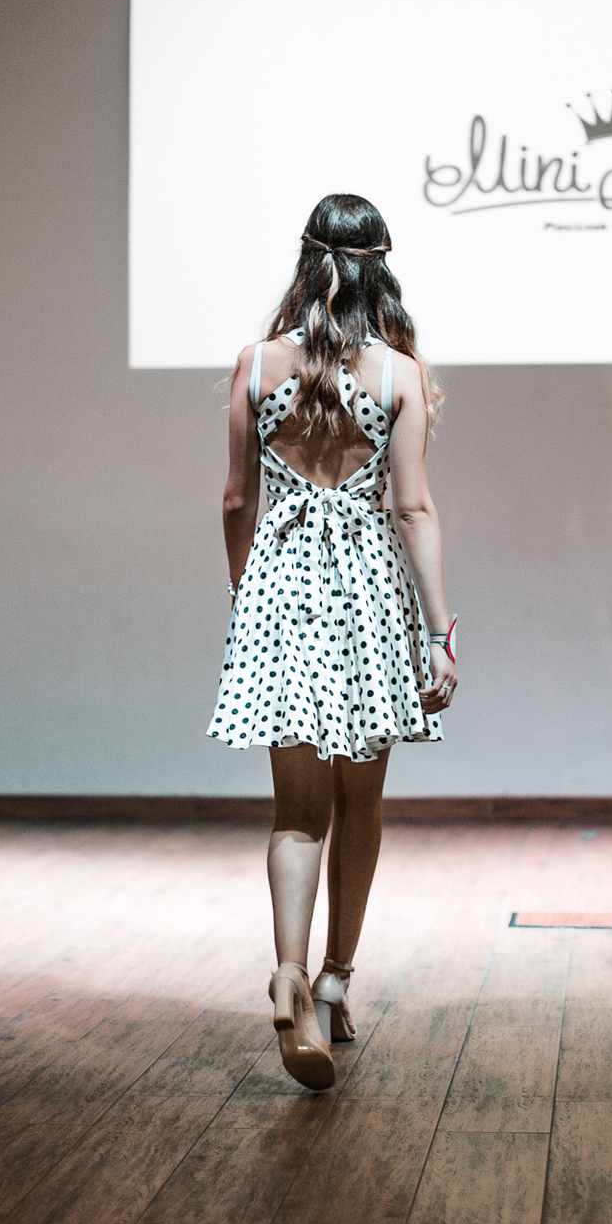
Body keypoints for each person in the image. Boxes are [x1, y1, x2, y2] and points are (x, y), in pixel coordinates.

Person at [207, 193, 457, 1091]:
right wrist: (440, 633)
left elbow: (237, 502)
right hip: (369, 601)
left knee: (295, 812)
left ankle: (287, 973)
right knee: (361, 801)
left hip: (279, 597)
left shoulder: (256, 365)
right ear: (380, 268)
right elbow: (413, 508)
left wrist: (248, 595)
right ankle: (336, 979)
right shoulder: (397, 375)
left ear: (307, 261)